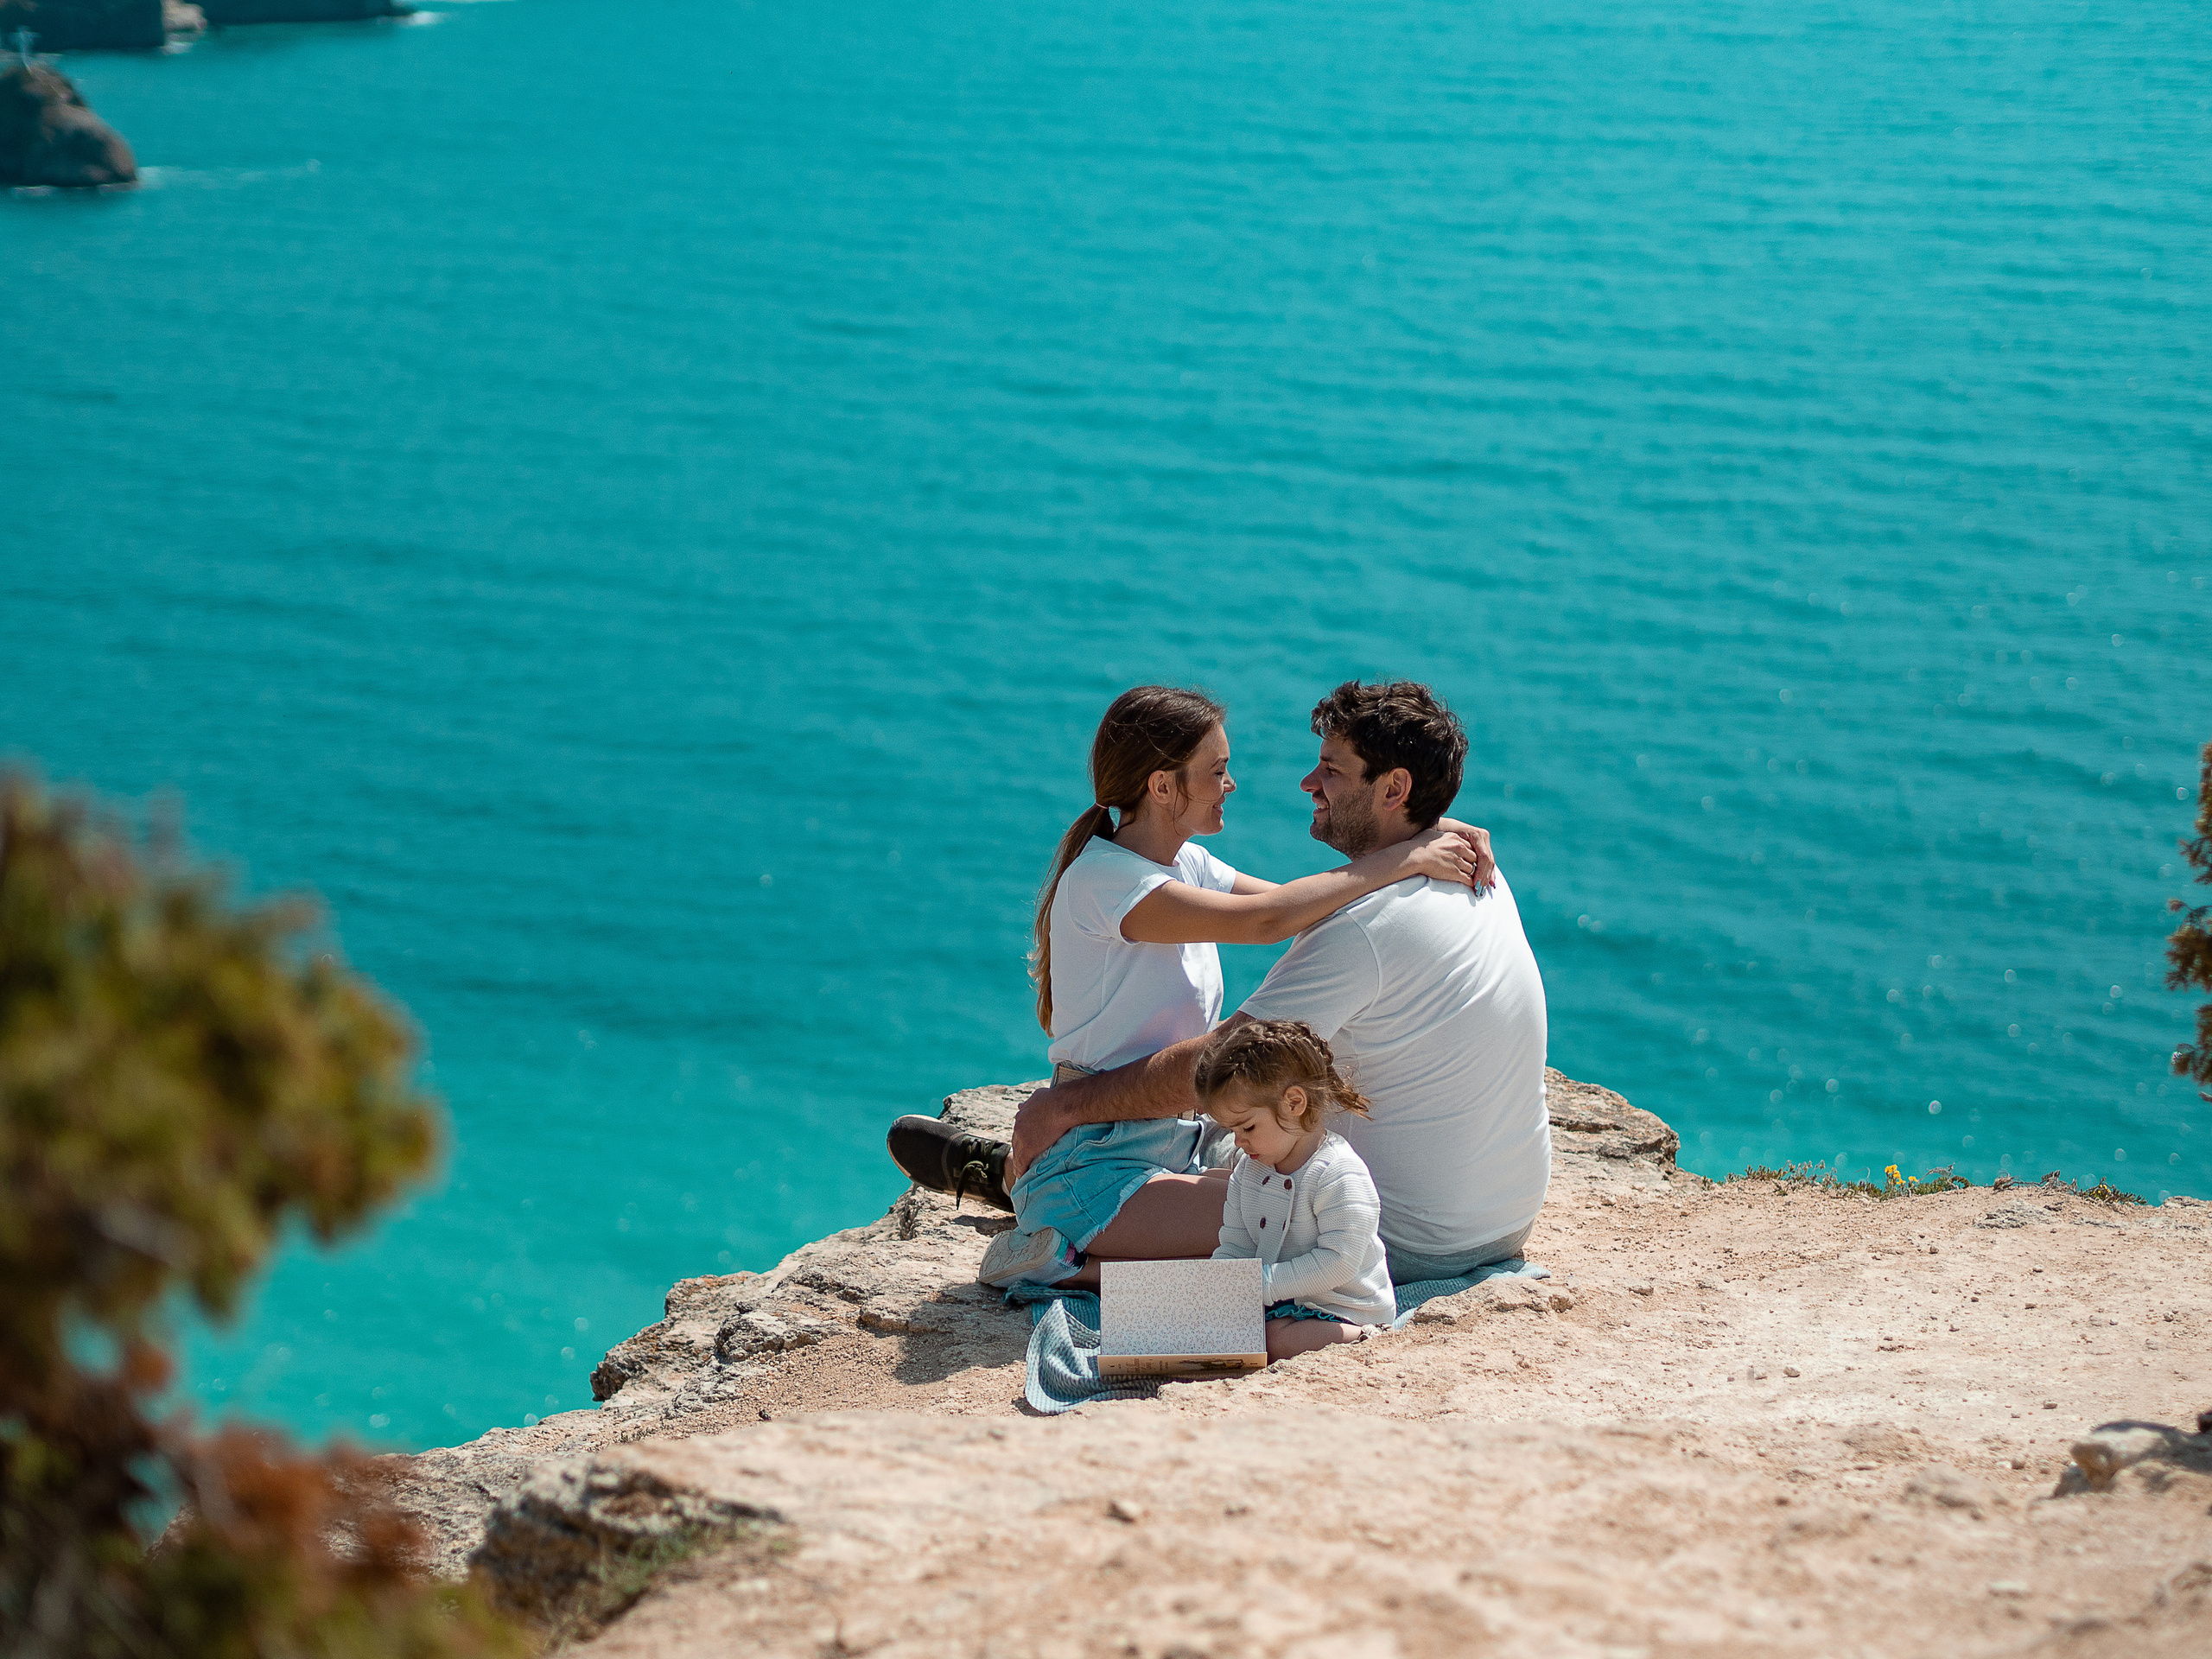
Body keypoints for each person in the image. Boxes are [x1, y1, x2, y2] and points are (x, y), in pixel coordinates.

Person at [885, 683, 1491, 1286]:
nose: (1232, 785)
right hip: (1099, 1159)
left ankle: (1010, 1178)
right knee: (1293, 1220)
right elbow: (1268, 919)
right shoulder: (1106, 880)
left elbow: (1308, 908)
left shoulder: (1185, 863)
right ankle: (1061, 1259)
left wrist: (1424, 824)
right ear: (1162, 786)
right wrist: (1407, 858)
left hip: (1183, 1140)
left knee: (1326, 1189)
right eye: (1218, 771)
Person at [1195, 1018, 1395, 1360]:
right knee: (1213, 1326)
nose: (1238, 1142)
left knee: (1275, 1339)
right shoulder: (1248, 1170)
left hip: (1344, 1307)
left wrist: (1262, 1285)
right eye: (1231, 1130)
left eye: (1247, 1127)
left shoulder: (1338, 1173)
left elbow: (1338, 1263)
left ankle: (1367, 1338)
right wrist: (1222, 1286)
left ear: (1294, 1103)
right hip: (1284, 1302)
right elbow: (1236, 1243)